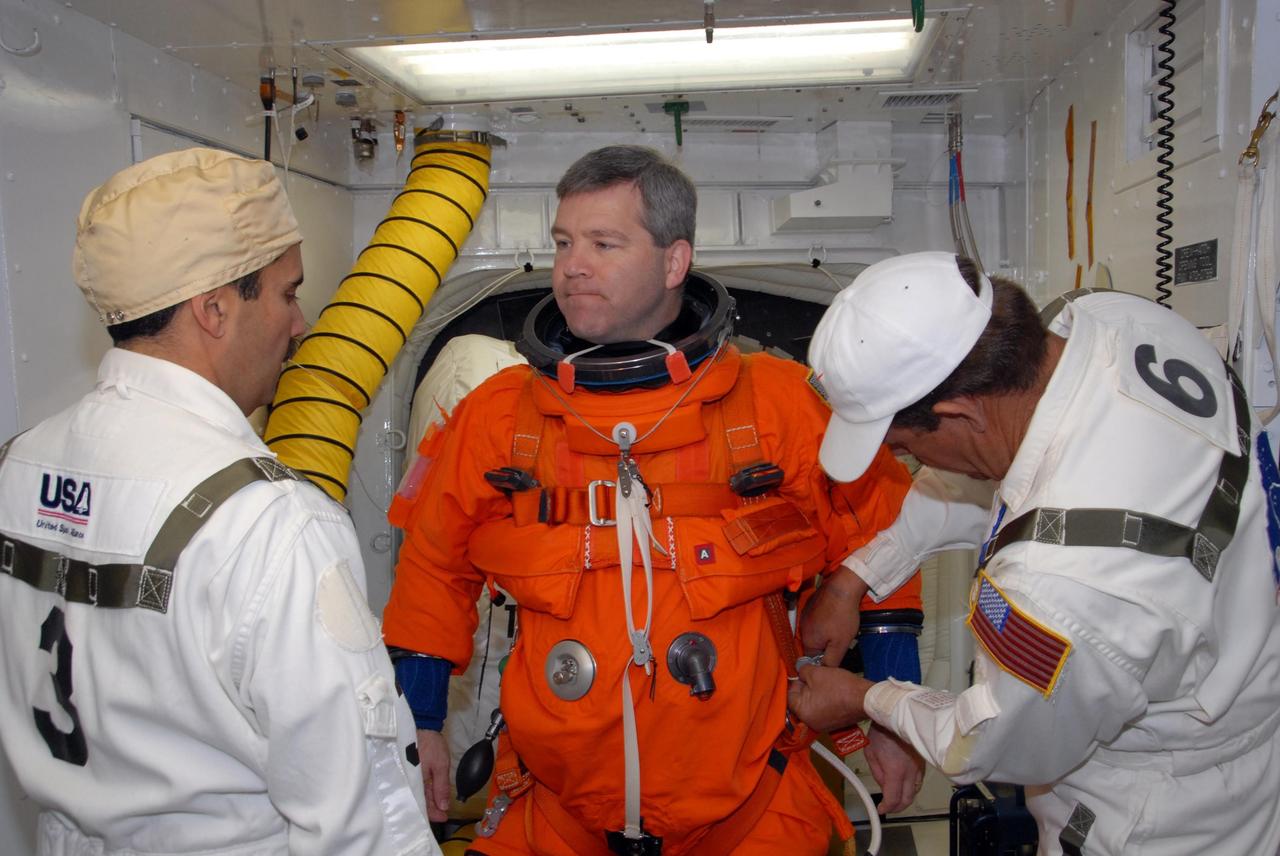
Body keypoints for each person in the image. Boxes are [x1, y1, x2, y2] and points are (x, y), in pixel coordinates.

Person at [382, 145, 922, 856]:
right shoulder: (499, 418)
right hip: (555, 817)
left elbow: (884, 533)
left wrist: (890, 717)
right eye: (565, 243)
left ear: (674, 263)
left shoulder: (775, 405)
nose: (573, 265)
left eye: (605, 244)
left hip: (749, 814)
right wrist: (419, 720)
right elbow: (432, 570)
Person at [0, 148, 440, 856]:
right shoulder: (268, 522)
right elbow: (360, 822)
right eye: (287, 294)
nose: (298, 324)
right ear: (214, 310)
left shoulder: (16, 470)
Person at [791, 251, 1280, 855]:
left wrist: (868, 698)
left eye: (908, 447)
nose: (915, 464)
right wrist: (854, 578)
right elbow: (988, 476)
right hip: (1241, 712)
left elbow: (992, 742)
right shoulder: (1112, 323)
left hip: (1161, 818)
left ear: (960, 412)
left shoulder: (1063, 583)